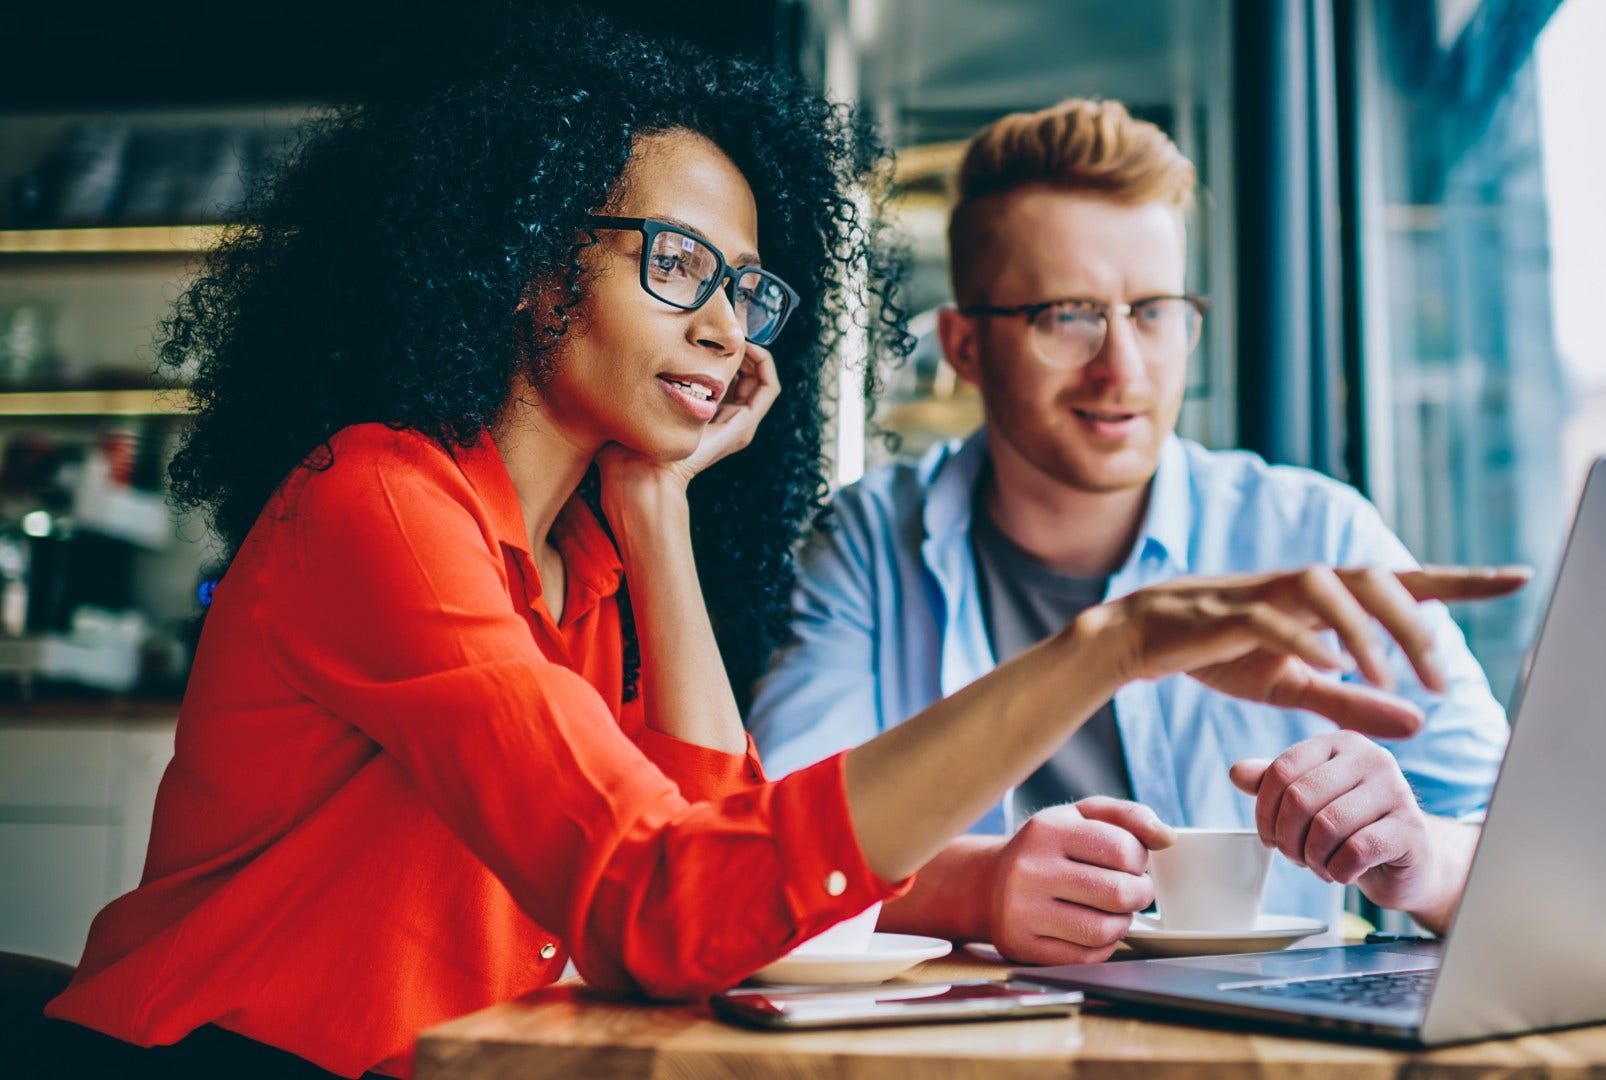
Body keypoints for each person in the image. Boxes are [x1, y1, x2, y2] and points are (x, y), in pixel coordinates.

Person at [37, 25, 1521, 1077]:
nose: (723, 326)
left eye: (746, 286)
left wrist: (661, 512)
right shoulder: (379, 506)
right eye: (675, 264)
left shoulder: (593, 561)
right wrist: (1107, 649)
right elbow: (668, 902)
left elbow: (717, 872)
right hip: (223, 1060)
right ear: (520, 262)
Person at [747, 99, 1520, 966]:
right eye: (1067, 315)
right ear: (964, 346)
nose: (1124, 367)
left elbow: (1530, 847)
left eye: (1153, 311)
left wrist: (1422, 860)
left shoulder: (1314, 532)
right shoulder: (869, 541)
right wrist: (980, 886)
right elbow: (769, 852)